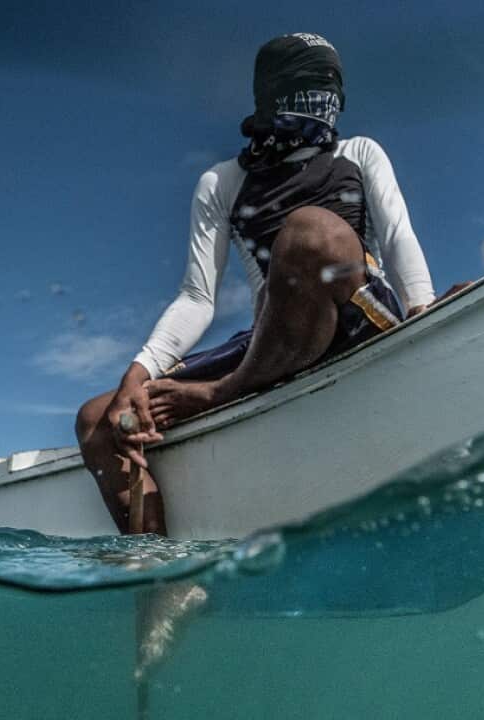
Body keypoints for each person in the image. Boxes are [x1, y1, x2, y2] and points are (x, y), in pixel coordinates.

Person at [75, 33, 435, 535]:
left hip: (357, 314)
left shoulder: (360, 152)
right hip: (275, 342)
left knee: (310, 233)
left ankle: (221, 392)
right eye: (308, 85)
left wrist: (426, 313)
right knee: (96, 419)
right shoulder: (221, 183)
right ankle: (160, 575)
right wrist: (136, 376)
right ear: (269, 96)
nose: (324, 100)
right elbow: (198, 297)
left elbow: (399, 238)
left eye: (331, 88)